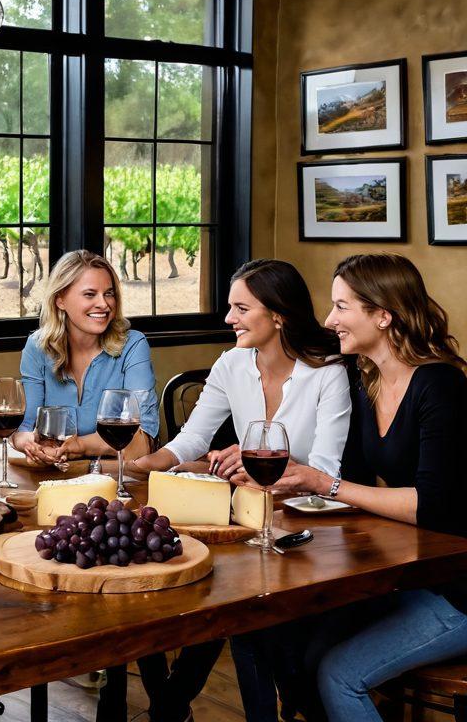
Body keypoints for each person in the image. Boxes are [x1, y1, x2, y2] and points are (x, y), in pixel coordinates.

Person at [111, 258, 352, 722]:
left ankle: (174, 705)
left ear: (277, 314)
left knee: (236, 613)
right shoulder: (232, 363)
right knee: (226, 605)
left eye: (241, 308)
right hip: (249, 522)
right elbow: (190, 442)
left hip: (309, 532)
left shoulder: (328, 372)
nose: (228, 319)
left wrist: (260, 459)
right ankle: (181, 706)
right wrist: (136, 467)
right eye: (228, 308)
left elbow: (324, 471)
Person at [270, 254, 467, 722]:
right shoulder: (368, 381)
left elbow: (431, 507)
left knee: (338, 674)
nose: (328, 319)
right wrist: (287, 485)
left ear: (383, 314)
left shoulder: (440, 386)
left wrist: (325, 483)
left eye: (342, 306)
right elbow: (348, 478)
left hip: (458, 589)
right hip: (412, 573)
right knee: (291, 645)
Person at [11, 249, 159, 465]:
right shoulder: (37, 347)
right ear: (60, 300)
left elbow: (144, 440)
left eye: (109, 293)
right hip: (55, 477)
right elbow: (24, 428)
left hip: (116, 479)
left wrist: (80, 446)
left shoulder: (133, 346)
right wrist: (29, 445)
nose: (104, 304)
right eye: (90, 294)